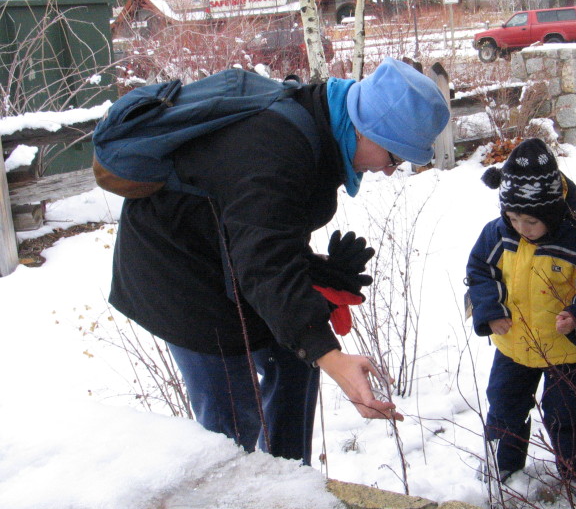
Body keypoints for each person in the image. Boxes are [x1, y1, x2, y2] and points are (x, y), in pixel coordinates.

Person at [108, 57, 450, 460]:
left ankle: (290, 486)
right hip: (178, 273)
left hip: (226, 258)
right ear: (365, 129)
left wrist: (315, 272)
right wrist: (329, 354)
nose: (390, 171)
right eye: (393, 157)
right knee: (233, 420)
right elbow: (262, 256)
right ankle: (235, 508)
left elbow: (264, 230)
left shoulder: (321, 125)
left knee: (294, 363)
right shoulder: (278, 144)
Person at [465, 138, 576, 496]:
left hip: (564, 349)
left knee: (566, 411)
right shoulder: (497, 233)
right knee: (504, 402)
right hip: (514, 345)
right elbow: (479, 271)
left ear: (551, 213)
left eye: (530, 221)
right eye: (513, 217)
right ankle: (502, 464)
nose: (521, 226)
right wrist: (490, 311)